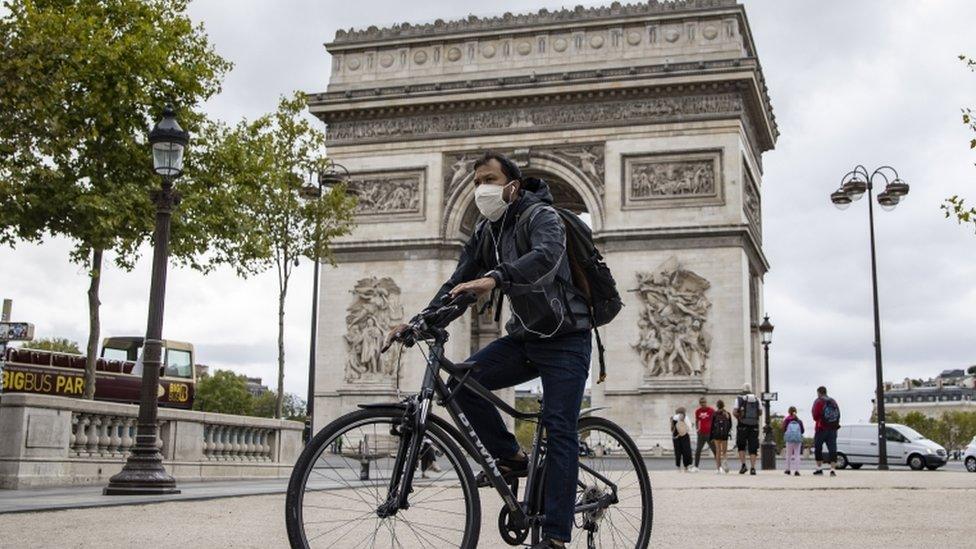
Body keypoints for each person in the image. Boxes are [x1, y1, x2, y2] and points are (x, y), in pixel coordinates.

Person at [387, 152, 593, 549]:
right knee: (462, 382)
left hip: (567, 337)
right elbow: (458, 282)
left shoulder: (542, 216)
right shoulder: (486, 232)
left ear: (512, 185)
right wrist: (420, 320)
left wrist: (496, 278)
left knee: (559, 429)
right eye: (477, 181)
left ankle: (554, 536)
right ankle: (511, 456)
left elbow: (547, 258)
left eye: (489, 179)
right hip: (526, 337)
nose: (482, 188)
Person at [811, 386, 840, 477]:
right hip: (832, 428)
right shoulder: (833, 401)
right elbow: (838, 414)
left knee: (818, 448)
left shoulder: (818, 401)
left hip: (821, 428)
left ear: (819, 392)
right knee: (833, 448)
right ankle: (832, 470)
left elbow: (815, 416)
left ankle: (819, 469)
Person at [733, 383, 762, 475]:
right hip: (754, 426)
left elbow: (734, 412)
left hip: (742, 425)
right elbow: (760, 412)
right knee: (753, 447)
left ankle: (743, 465)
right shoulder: (757, 399)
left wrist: (740, 417)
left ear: (743, 390)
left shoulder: (739, 399)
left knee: (741, 445)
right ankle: (753, 468)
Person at [693, 396, 716, 472]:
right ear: (700, 403)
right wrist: (697, 429)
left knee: (714, 450)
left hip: (709, 433)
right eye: (701, 403)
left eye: (704, 402)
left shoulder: (711, 411)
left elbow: (715, 421)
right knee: (698, 450)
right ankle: (696, 467)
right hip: (701, 434)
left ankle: (719, 466)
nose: (703, 404)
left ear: (706, 402)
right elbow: (697, 421)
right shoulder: (698, 411)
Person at [710, 399, 733, 473]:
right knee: (724, 452)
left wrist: (711, 436)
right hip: (724, 435)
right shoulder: (727, 414)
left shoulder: (715, 414)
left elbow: (712, 426)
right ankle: (725, 463)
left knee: (718, 451)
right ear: (723, 405)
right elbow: (730, 425)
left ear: (717, 406)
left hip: (717, 434)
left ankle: (718, 468)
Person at [782, 406, 805, 476]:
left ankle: (788, 470)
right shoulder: (799, 421)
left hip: (789, 439)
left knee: (788, 455)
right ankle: (797, 471)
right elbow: (802, 431)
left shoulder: (787, 420)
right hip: (797, 440)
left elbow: (783, 429)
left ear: (789, 412)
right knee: (797, 455)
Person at [671, 407, 693, 471]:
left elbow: (672, 429)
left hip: (676, 436)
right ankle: (686, 466)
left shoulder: (673, 418)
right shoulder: (685, 417)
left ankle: (678, 467)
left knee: (677, 452)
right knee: (686, 451)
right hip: (684, 435)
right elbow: (689, 428)